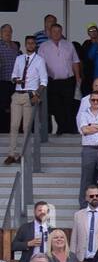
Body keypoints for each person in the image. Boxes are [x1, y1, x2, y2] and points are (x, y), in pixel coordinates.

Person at [7, 34, 47, 164]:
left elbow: (44, 81)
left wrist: (37, 94)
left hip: (29, 94)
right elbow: (13, 75)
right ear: (25, 45)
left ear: (35, 45)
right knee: (14, 125)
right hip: (18, 93)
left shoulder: (40, 60)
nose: (30, 45)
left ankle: (24, 155)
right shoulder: (19, 59)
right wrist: (16, 79)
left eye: (32, 43)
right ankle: (12, 154)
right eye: (28, 43)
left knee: (26, 127)